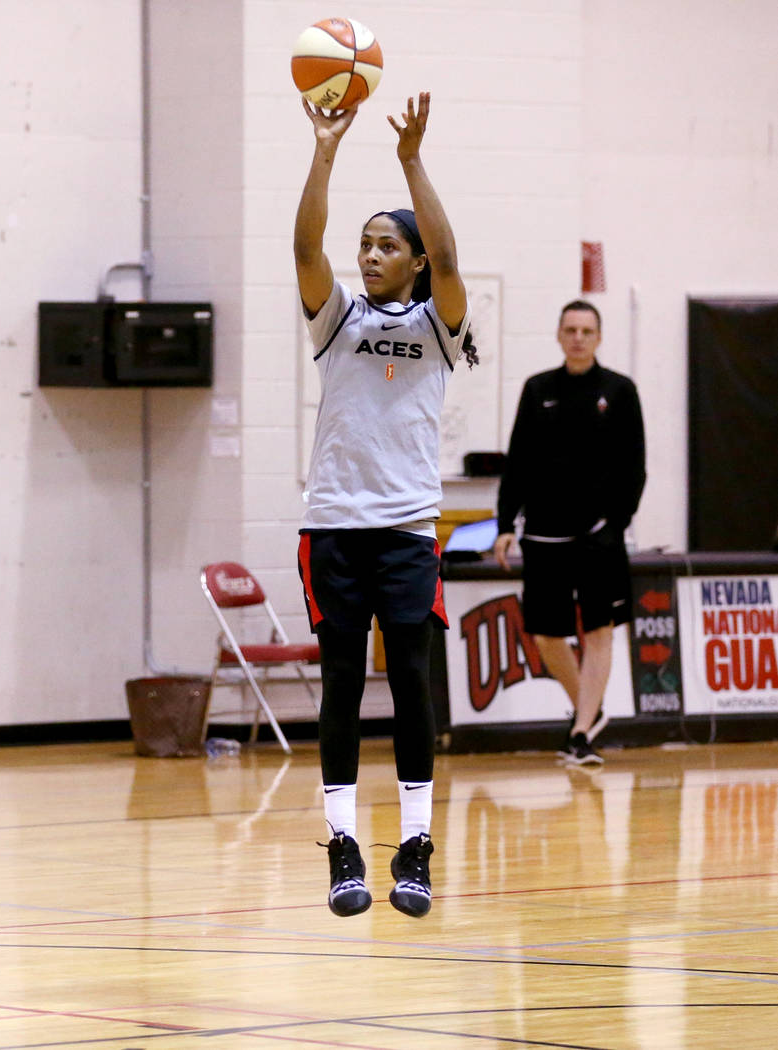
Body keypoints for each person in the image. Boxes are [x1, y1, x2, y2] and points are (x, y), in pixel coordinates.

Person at [294, 92, 475, 917]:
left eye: (384, 245)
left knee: (409, 679)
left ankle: (413, 844)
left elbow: (449, 248)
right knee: (339, 682)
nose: (369, 254)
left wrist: (410, 158)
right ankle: (340, 844)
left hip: (405, 530)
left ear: (412, 262)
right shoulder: (336, 320)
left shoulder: (440, 324)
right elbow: (304, 245)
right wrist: (326, 150)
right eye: (364, 243)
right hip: (333, 523)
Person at [493, 300, 645, 766]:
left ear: (598, 337)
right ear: (559, 336)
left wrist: (615, 524)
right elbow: (516, 461)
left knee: (599, 631)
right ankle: (590, 713)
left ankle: (579, 732)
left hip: (599, 536)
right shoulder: (537, 389)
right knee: (546, 635)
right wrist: (504, 525)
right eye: (571, 330)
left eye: (587, 330)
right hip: (543, 534)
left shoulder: (619, 391)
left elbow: (634, 467)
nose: (578, 337)